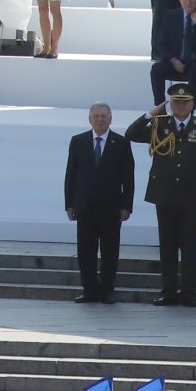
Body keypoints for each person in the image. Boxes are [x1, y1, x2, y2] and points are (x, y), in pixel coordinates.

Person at [125, 86, 196, 306]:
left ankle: (188, 292)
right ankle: (168, 290)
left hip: (192, 195)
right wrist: (151, 114)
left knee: (188, 244)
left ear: (192, 104)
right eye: (176, 101)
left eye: (184, 102)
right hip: (165, 194)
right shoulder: (160, 125)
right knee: (167, 244)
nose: (180, 105)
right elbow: (131, 134)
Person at [63, 103, 136, 302]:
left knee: (110, 250)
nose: (100, 119)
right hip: (84, 207)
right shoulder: (78, 141)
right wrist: (69, 204)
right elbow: (71, 175)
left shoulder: (120, 143)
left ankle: (107, 290)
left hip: (111, 207)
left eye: (104, 116)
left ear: (111, 119)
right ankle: (88, 289)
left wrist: (126, 205)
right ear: (89, 119)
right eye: (96, 116)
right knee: (85, 250)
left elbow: (128, 177)